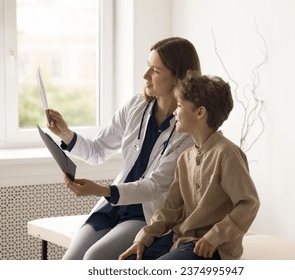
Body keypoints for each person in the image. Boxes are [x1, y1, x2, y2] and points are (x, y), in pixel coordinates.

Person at [47, 37, 201, 260]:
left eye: (155, 70)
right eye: (148, 66)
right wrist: (65, 134)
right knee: (71, 260)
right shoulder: (136, 106)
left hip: (145, 214)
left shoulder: (187, 130)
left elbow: (155, 186)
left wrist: (101, 190)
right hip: (112, 206)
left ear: (179, 77)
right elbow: (98, 150)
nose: (145, 75)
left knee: (94, 259)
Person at [119, 71, 260, 260]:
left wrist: (214, 237)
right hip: (182, 238)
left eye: (178, 106)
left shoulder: (227, 154)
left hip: (212, 248)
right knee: (128, 262)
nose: (175, 112)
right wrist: (143, 238)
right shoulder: (184, 158)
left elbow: (249, 203)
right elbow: (172, 208)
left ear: (200, 112)